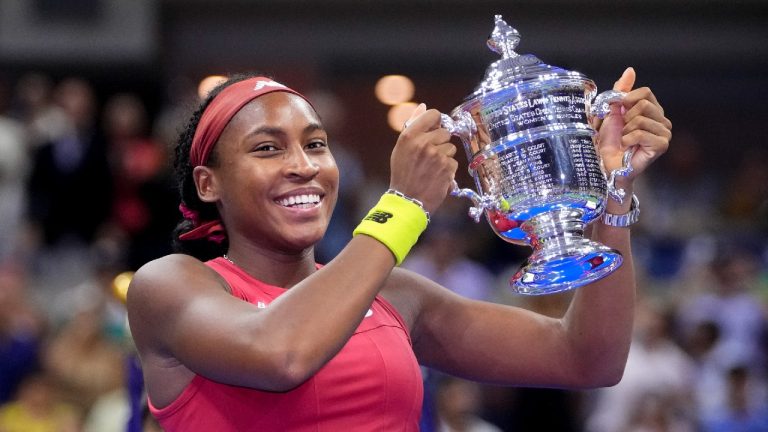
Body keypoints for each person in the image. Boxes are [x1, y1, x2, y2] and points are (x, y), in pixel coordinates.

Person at [126, 68, 672, 430]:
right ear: (207, 184)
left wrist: (612, 191)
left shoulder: (393, 293)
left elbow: (588, 358)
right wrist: (404, 205)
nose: (303, 165)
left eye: (316, 145)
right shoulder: (170, 284)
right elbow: (281, 354)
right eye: (267, 149)